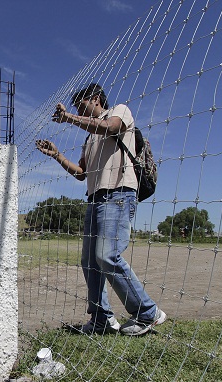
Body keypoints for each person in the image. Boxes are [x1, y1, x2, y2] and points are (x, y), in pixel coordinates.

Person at [35, 83, 165, 336]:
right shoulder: (89, 136)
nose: (78, 110)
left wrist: (68, 118)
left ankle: (147, 312)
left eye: (80, 104)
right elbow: (81, 174)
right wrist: (57, 155)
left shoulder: (119, 111)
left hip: (118, 193)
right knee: (89, 262)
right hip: (95, 198)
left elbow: (111, 127)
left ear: (95, 99)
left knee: (107, 256)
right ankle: (101, 319)